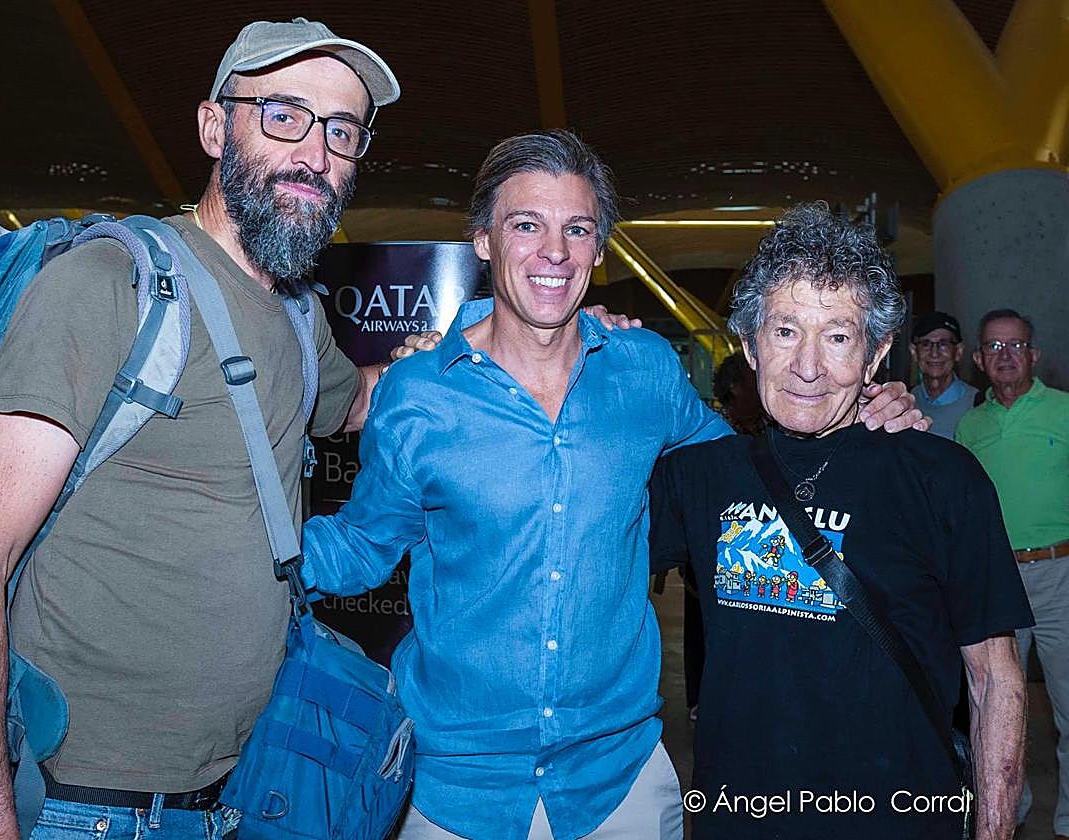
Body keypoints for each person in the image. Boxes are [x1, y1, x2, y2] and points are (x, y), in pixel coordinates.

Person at [301, 131, 926, 840]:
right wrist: (236, 554)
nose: (554, 252)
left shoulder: (644, 370)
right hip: (454, 789)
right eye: (526, 225)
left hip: (617, 784)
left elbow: (752, 472)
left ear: (599, 249)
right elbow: (361, 545)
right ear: (482, 240)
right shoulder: (419, 394)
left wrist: (858, 410)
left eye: (577, 229)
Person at [0, 18, 401, 840]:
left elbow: (358, 402)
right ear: (216, 128)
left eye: (343, 131)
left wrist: (509, 344)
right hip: (85, 810)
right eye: (284, 115)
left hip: (241, 792)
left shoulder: (296, 314)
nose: (316, 154)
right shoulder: (108, 286)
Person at [649, 203, 1032, 840]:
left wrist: (992, 831)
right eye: (785, 331)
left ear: (876, 352)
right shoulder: (700, 476)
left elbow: (994, 674)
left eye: (837, 336)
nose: (807, 365)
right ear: (749, 343)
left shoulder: (943, 477)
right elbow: (569, 533)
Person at [956, 308, 1069, 840]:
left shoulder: (1065, 412)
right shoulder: (969, 427)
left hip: (1060, 575)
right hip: (997, 580)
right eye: (994, 347)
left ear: (1034, 354)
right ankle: (1011, 811)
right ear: (979, 359)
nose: (1005, 356)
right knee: (1002, 707)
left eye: (1015, 345)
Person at [909, 310, 977, 439]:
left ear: (958, 352)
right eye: (926, 344)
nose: (934, 353)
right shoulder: (905, 404)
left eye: (943, 344)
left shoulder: (977, 404)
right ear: (914, 352)